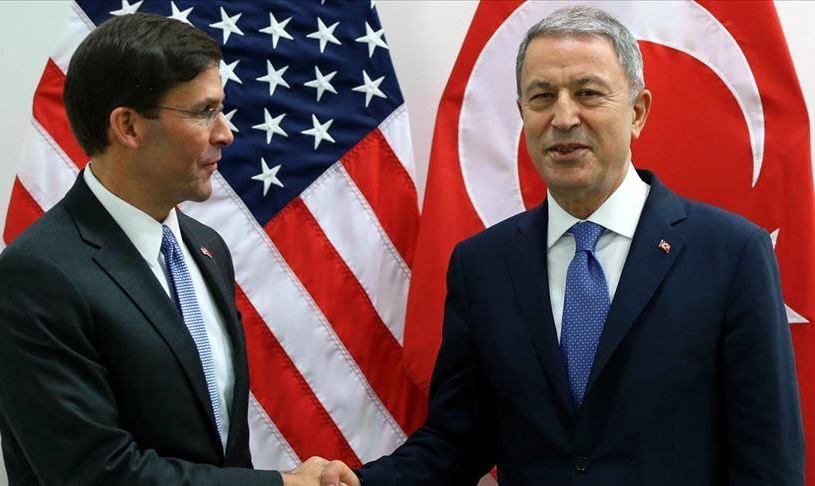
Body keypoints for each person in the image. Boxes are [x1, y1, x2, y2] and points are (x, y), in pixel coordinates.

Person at [322, 6, 804, 485]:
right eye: (542, 97)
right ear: (522, 114)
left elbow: (768, 464)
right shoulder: (483, 266)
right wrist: (357, 484)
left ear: (637, 112)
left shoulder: (731, 254)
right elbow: (455, 442)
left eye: (588, 93)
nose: (564, 117)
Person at [0, 13, 326, 486]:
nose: (225, 133)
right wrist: (281, 485)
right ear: (129, 126)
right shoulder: (36, 278)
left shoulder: (207, 249)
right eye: (204, 112)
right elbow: (96, 474)